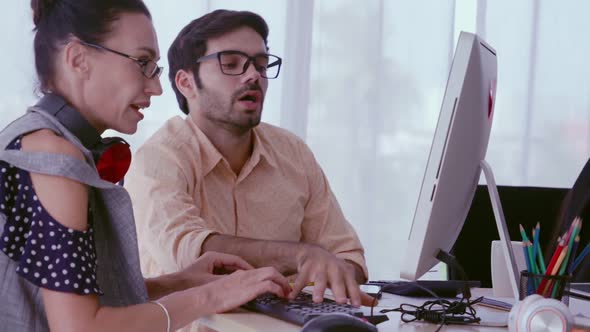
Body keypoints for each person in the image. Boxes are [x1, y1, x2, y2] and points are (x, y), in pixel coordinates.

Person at [0, 1, 291, 331]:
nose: (155, 87)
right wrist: (210, 297)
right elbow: (81, 328)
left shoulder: (35, 138)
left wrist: (181, 282)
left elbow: (73, 297)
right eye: (142, 62)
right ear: (78, 58)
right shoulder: (53, 155)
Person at [125, 9, 372, 310]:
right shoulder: (157, 159)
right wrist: (301, 255)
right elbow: (189, 254)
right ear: (186, 83)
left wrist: (336, 273)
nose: (254, 75)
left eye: (261, 64)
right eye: (231, 64)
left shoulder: (293, 152)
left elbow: (348, 255)